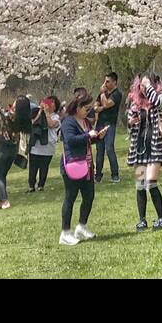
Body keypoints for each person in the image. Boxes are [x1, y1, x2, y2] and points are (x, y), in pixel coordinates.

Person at [58, 88, 107, 245]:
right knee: (70, 198)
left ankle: (82, 226)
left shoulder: (85, 121)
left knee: (89, 196)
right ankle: (65, 233)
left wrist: (98, 137)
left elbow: (86, 140)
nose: (88, 112)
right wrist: (88, 135)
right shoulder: (68, 122)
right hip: (72, 165)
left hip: (87, 165)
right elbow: (71, 140)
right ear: (78, 107)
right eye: (86, 109)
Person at [126, 74, 162, 230]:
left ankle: (161, 218)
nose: (142, 88)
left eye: (146, 84)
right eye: (141, 85)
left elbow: (157, 103)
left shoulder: (160, 97)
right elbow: (130, 130)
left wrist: (149, 86)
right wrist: (131, 123)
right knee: (140, 185)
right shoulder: (135, 104)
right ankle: (142, 219)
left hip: (155, 146)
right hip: (139, 149)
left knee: (151, 183)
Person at [92, 72, 121, 184]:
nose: (105, 84)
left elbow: (107, 104)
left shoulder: (117, 94)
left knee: (109, 148)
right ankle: (98, 175)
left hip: (110, 124)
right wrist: (97, 108)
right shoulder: (101, 93)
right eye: (104, 81)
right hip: (100, 124)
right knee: (100, 150)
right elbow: (96, 105)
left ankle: (115, 175)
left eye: (107, 81)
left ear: (114, 82)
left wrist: (103, 95)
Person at [0, 100, 22, 209]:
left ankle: (4, 201)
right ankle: (0, 201)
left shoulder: (6, 114)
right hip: (13, 149)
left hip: (2, 148)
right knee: (2, 175)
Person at [28, 95, 60, 192]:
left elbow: (51, 124)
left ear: (55, 106)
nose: (50, 103)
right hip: (36, 145)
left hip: (48, 146)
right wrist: (41, 110)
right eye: (48, 101)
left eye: (52, 102)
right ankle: (31, 186)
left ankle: (41, 185)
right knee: (33, 166)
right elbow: (32, 123)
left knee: (44, 167)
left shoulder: (56, 116)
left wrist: (46, 112)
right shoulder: (38, 112)